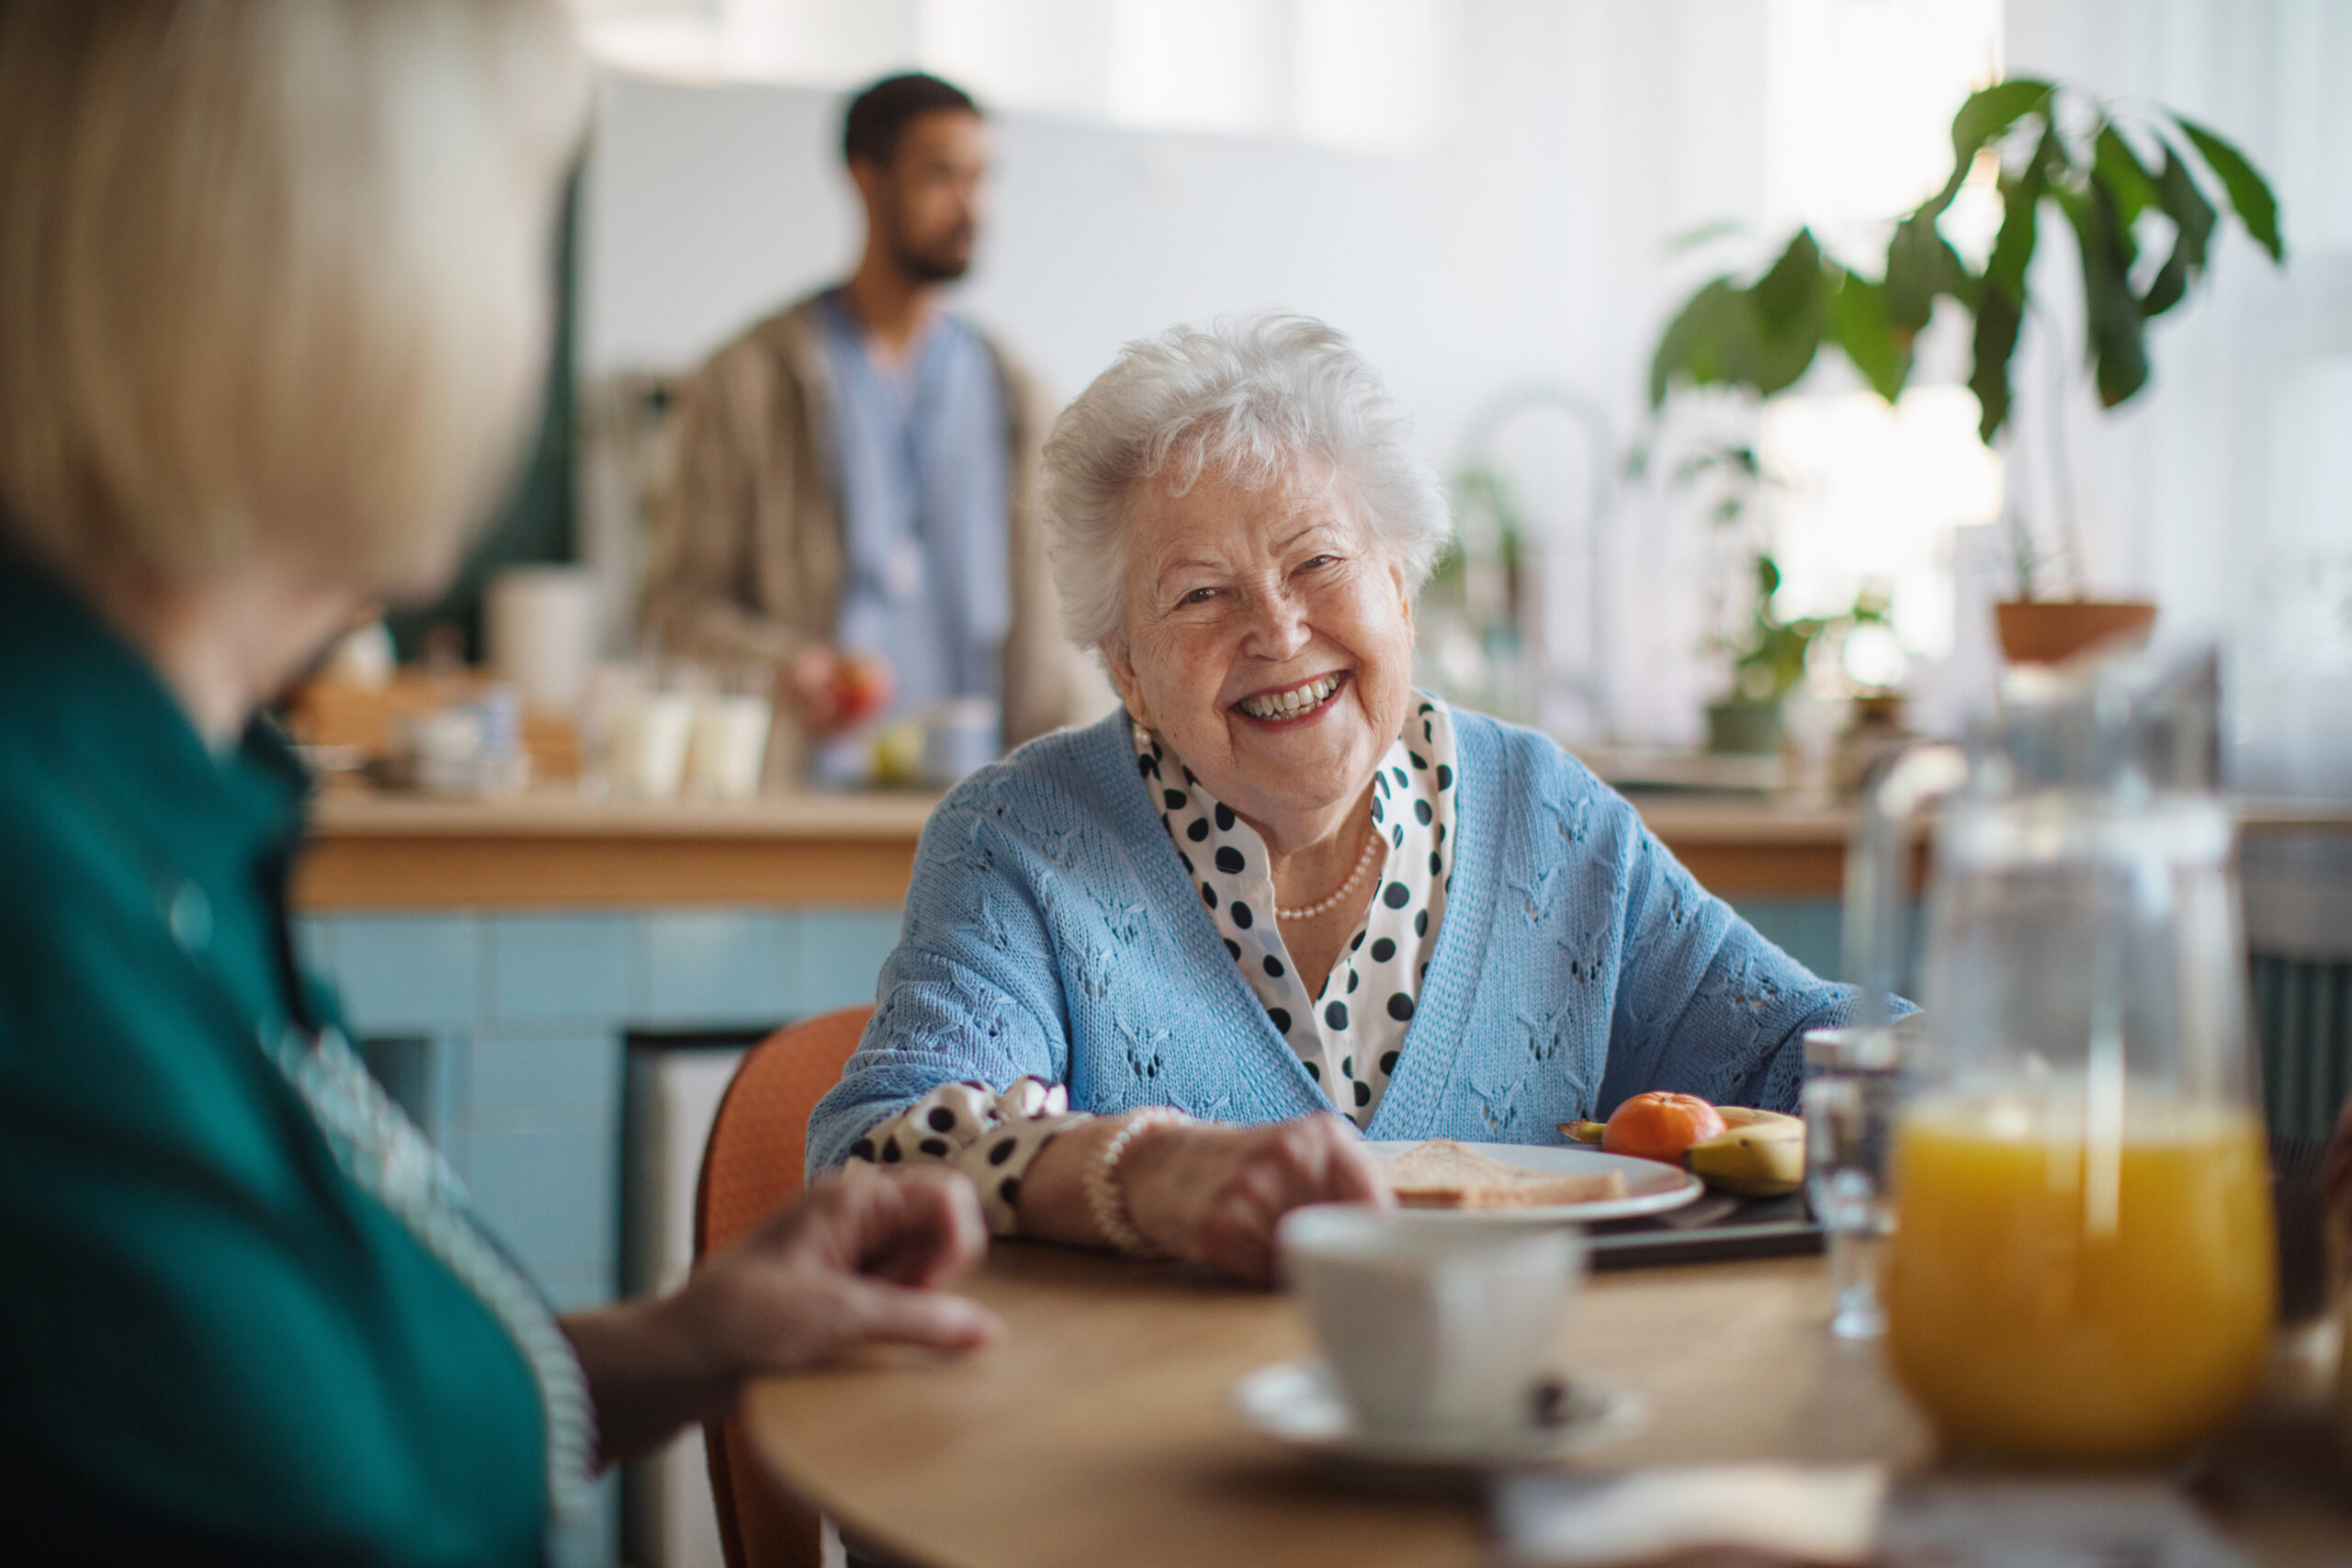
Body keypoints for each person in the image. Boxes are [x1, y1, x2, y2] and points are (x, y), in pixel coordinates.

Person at [0, 6, 994, 1562]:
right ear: (354, 290)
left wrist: (688, 1338)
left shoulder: (182, 798)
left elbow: (309, 1418)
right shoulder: (46, 882)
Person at [808, 312, 1901, 1284]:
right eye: (1199, 594)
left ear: (1400, 585)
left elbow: (1800, 1052)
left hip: (1496, 1451)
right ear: (1127, 668)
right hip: (1140, 1468)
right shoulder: (1020, 841)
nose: (1278, 632)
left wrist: (2002, 1066)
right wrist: (1134, 1172)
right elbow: (873, 1156)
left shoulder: (1549, 821)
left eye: (1317, 563)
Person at [642, 72, 1089, 785]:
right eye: (942, 175)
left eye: (983, 178)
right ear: (866, 179)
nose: (972, 205)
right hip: (809, 804)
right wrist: (784, 669)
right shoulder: (748, 382)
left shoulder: (1018, 396)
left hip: (984, 806)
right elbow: (677, 612)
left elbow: (1057, 639)